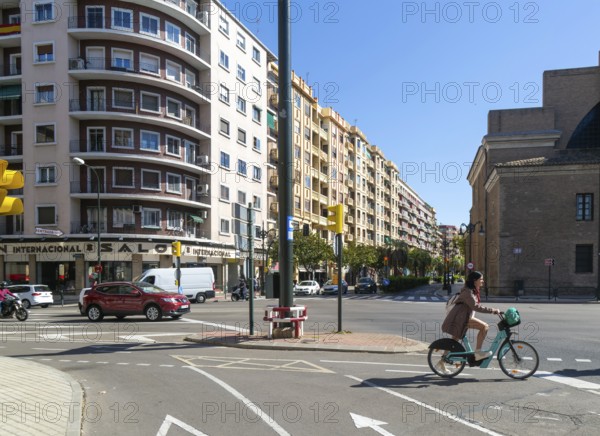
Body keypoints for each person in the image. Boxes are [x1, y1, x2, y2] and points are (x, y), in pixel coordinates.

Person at [439, 271, 501, 374]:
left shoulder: (472, 290)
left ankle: (442, 362)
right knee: (484, 327)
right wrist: (492, 310)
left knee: (454, 341)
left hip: (462, 317)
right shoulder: (468, 292)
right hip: (461, 319)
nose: (482, 281)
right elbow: (475, 306)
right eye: (481, 279)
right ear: (474, 280)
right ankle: (478, 353)